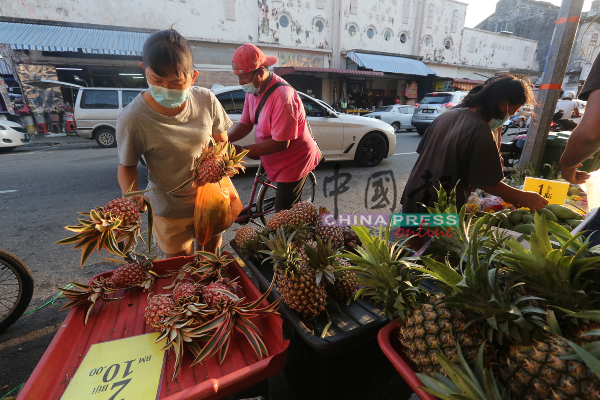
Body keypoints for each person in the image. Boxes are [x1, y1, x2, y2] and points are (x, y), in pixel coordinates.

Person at [116, 29, 233, 258]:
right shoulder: (133, 118)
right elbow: (127, 165)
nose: (166, 89)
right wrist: (132, 196)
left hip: (210, 198)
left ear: (193, 77)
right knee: (180, 269)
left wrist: (216, 166)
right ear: (144, 70)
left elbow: (222, 143)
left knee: (210, 260)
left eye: (177, 82)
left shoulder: (206, 100)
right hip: (169, 208)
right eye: (156, 81)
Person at [400, 75, 548, 217]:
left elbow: (425, 152)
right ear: (503, 103)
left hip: (414, 194)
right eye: (511, 111)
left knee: (412, 240)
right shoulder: (480, 129)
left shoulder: (447, 116)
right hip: (441, 205)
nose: (510, 115)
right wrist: (524, 196)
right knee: (434, 242)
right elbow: (488, 183)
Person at [227, 44, 321, 212]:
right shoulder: (253, 91)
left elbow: (281, 143)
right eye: (237, 76)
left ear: (261, 72)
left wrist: (240, 150)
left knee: (283, 215)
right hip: (272, 153)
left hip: (293, 161)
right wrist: (222, 140)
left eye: (244, 77)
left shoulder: (283, 97)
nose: (240, 82)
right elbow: (245, 124)